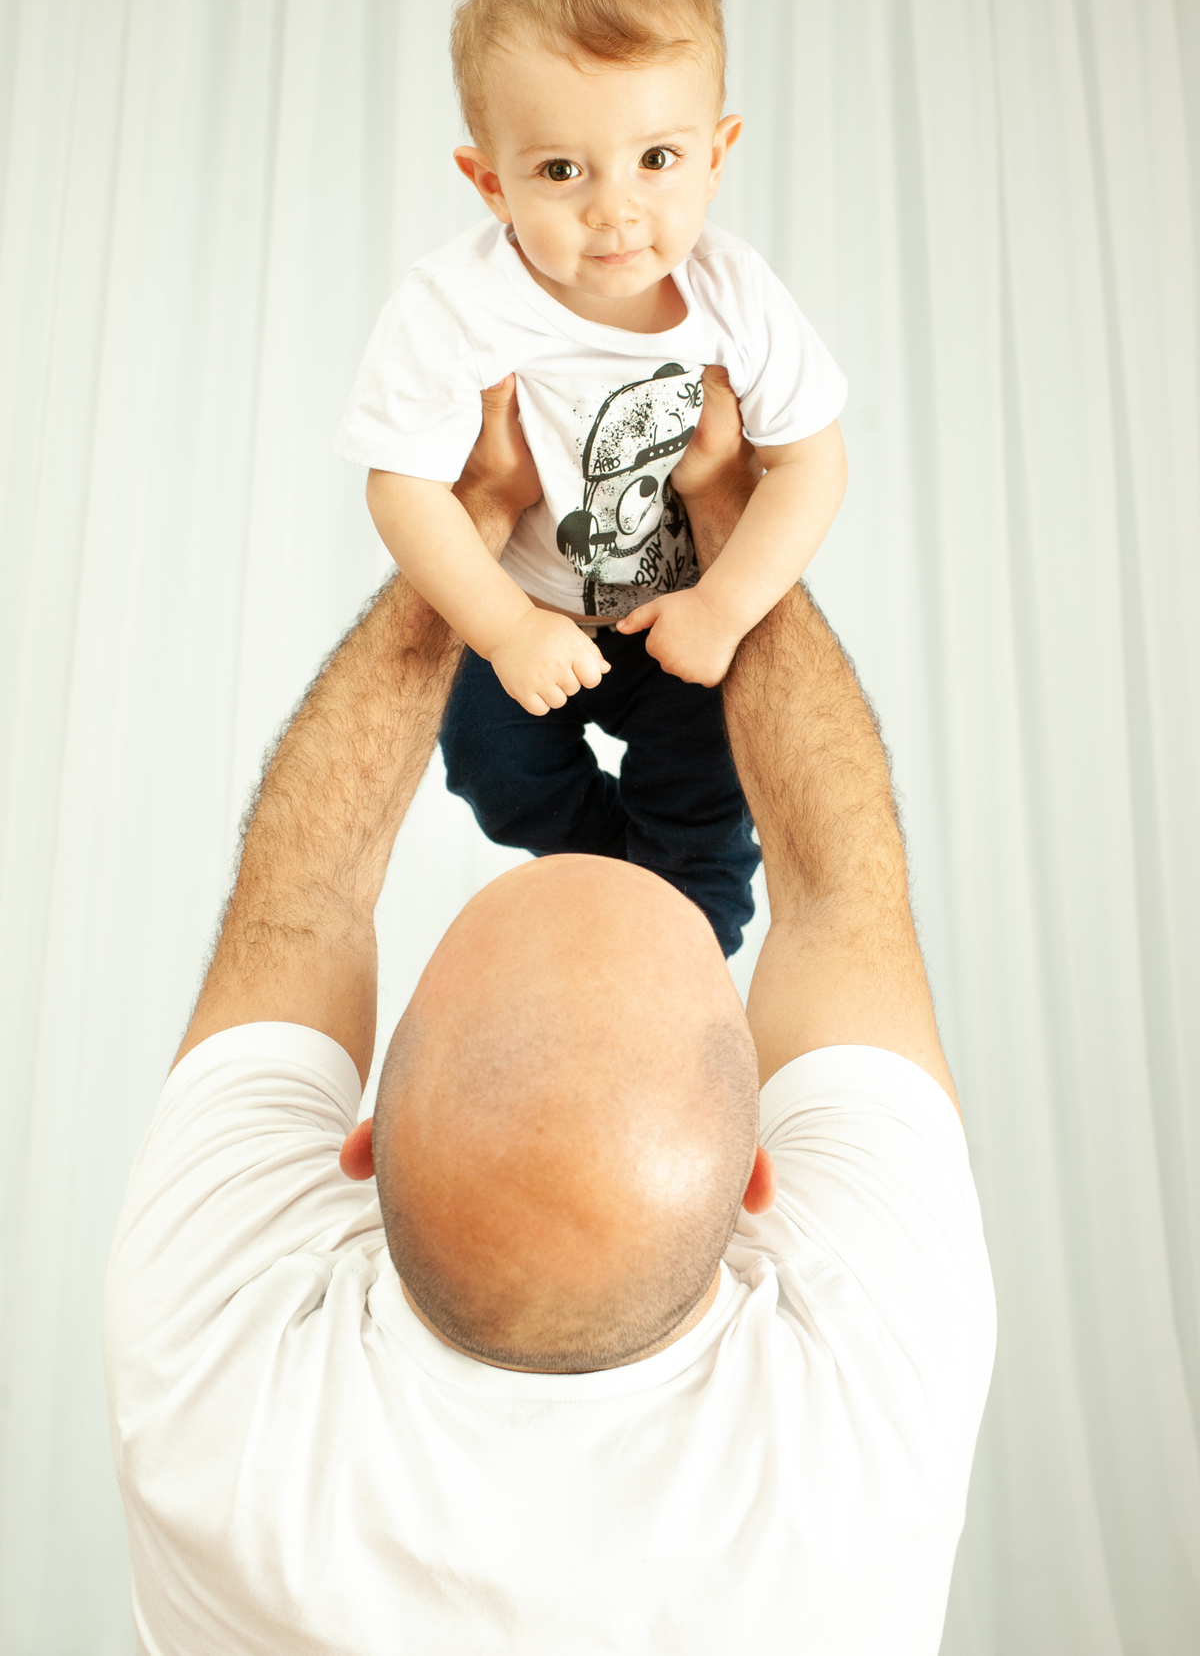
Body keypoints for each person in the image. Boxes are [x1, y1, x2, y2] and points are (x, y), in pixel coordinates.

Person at [104, 368, 995, 1654]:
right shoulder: (869, 1421)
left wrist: (463, 543)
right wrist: (740, 519)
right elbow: (842, 897)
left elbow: (297, 907)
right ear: (758, 1179)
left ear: (361, 1150)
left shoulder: (214, 1385)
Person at [336, 0, 849, 957]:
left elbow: (810, 462)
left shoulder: (734, 293)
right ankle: (607, 875)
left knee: (711, 788)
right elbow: (403, 487)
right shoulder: (456, 305)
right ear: (490, 181)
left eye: (656, 159)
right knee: (489, 765)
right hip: (524, 608)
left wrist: (724, 604)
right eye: (562, 171)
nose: (615, 209)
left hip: (682, 618)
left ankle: (686, 955)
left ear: (718, 152)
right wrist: (502, 628)